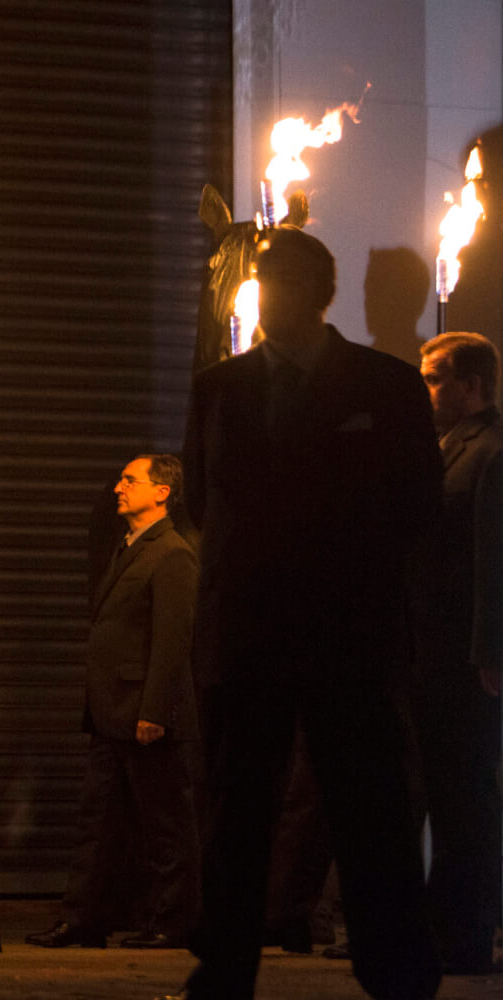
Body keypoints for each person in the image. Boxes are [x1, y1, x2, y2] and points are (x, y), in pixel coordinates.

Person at [164, 228, 443, 1000]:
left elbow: (417, 507)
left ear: (319, 294)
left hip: (347, 639)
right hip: (248, 637)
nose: (267, 293)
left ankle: (396, 970)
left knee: (369, 810)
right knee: (235, 814)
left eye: (281, 279)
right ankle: (223, 971)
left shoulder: (386, 387)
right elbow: (201, 501)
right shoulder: (220, 388)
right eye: (262, 279)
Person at [28, 454, 200, 951]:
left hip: (144, 714)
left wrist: (155, 710)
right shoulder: (127, 547)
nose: (118, 488)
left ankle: (175, 920)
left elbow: (172, 641)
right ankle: (83, 919)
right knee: (98, 824)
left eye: (130, 480)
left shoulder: (172, 553)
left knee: (166, 825)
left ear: (163, 492)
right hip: (110, 712)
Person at [412, 331, 503, 974]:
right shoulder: (446, 448)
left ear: (472, 386)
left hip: (465, 661)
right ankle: (445, 928)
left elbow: (493, 565)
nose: (428, 389)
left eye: (437, 377)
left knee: (468, 799)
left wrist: (489, 653)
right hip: (431, 655)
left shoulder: (492, 453)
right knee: (445, 794)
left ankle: (467, 935)